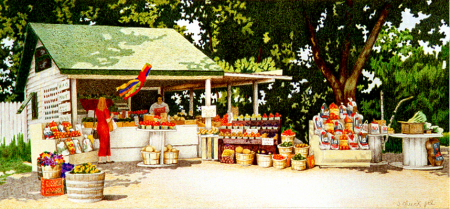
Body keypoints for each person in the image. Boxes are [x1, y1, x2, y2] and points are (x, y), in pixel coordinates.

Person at [96, 97, 114, 164]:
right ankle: (104, 159)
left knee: (102, 142)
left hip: (99, 126)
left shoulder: (97, 110)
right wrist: (112, 116)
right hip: (104, 127)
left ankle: (103, 158)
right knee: (106, 142)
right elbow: (108, 120)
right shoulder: (105, 110)